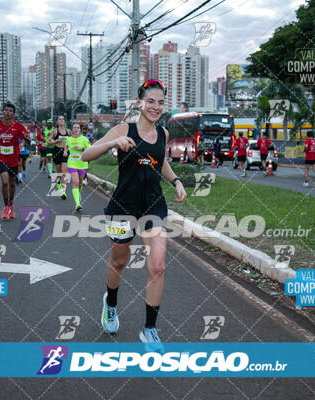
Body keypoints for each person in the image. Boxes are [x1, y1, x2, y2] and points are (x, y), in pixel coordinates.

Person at [82, 79, 187, 350]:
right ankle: (111, 304)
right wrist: (112, 142)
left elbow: (159, 161)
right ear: (139, 102)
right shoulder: (122, 129)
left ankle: (149, 329)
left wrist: (176, 181)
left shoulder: (162, 133)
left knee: (157, 266)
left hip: (153, 205)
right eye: (150, 101)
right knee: (119, 261)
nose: (155, 107)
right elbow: (85, 155)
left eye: (160, 102)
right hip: (123, 207)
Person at [66, 123, 91, 211]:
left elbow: (90, 150)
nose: (76, 129)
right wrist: (65, 152)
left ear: (80, 130)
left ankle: (78, 194)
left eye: (78, 128)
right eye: (74, 128)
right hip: (72, 163)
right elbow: (66, 146)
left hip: (83, 164)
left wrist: (82, 149)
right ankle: (77, 203)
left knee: (80, 183)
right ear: (72, 129)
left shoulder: (84, 139)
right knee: (75, 182)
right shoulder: (69, 139)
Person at [48, 115, 70, 199]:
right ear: (57, 122)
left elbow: (72, 141)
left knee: (64, 171)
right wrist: (57, 140)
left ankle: (63, 191)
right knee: (59, 172)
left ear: (64, 121)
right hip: (57, 151)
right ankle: (58, 183)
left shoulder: (69, 131)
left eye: (63, 119)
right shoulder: (54, 131)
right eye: (59, 119)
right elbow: (49, 142)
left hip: (65, 152)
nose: (61, 120)